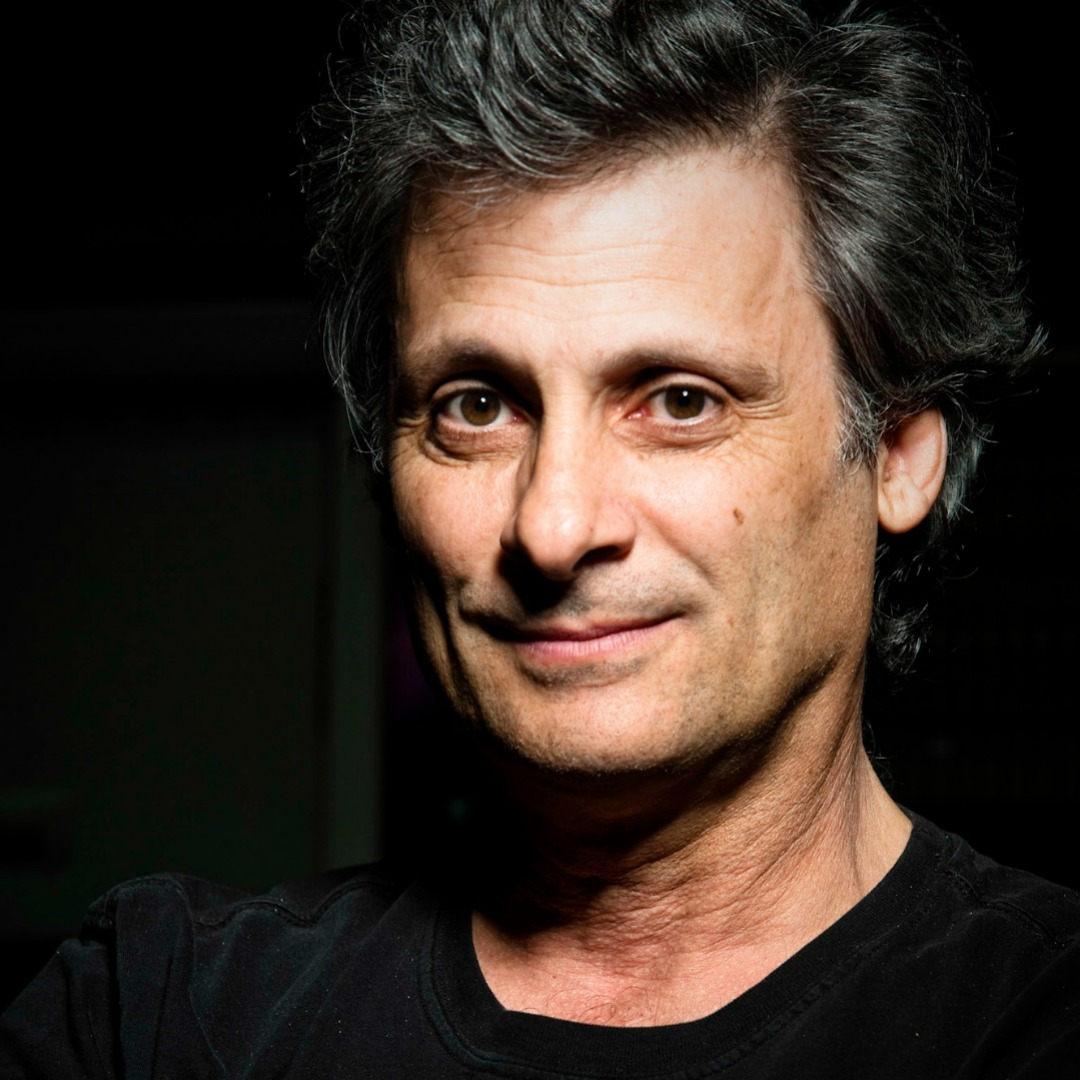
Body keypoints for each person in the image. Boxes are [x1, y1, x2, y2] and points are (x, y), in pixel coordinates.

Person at [3, 1, 1077, 1076]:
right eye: (476, 407)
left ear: (896, 454)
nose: (552, 528)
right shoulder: (160, 1014)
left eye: (681, 401)